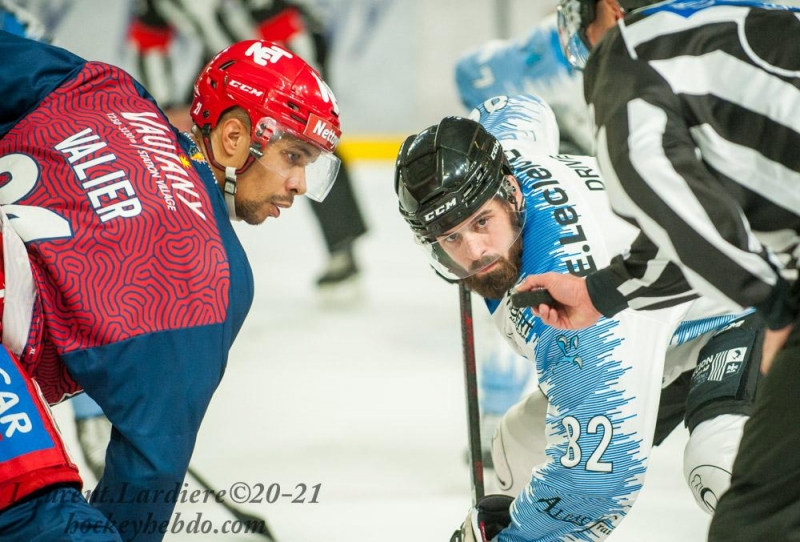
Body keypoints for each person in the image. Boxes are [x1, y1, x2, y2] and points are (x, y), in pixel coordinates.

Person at [0, 31, 341, 541]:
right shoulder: (214, 277)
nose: (300, 186)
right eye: (294, 156)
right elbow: (148, 470)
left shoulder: (110, 91)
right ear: (234, 138)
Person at [394, 94, 763, 541]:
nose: (474, 253)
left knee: (722, 465)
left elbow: (597, 482)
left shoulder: (568, 300)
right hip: (659, 325)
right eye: (449, 237)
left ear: (510, 195)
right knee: (518, 449)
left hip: (743, 307)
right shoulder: (506, 158)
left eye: (480, 222)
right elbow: (516, 107)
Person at [516, 1, 800, 539]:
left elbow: (681, 209)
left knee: (757, 519)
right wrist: (599, 292)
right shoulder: (735, 19)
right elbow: (702, 223)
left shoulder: (630, 52)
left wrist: (776, 308)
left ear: (608, 10)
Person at [129, 0, 368, 291]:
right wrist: (165, 108)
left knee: (305, 145)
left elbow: (285, 26)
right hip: (228, 56)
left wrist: (303, 98)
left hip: (289, 55)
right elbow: (150, 40)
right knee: (195, 136)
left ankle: (341, 246)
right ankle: (184, 241)